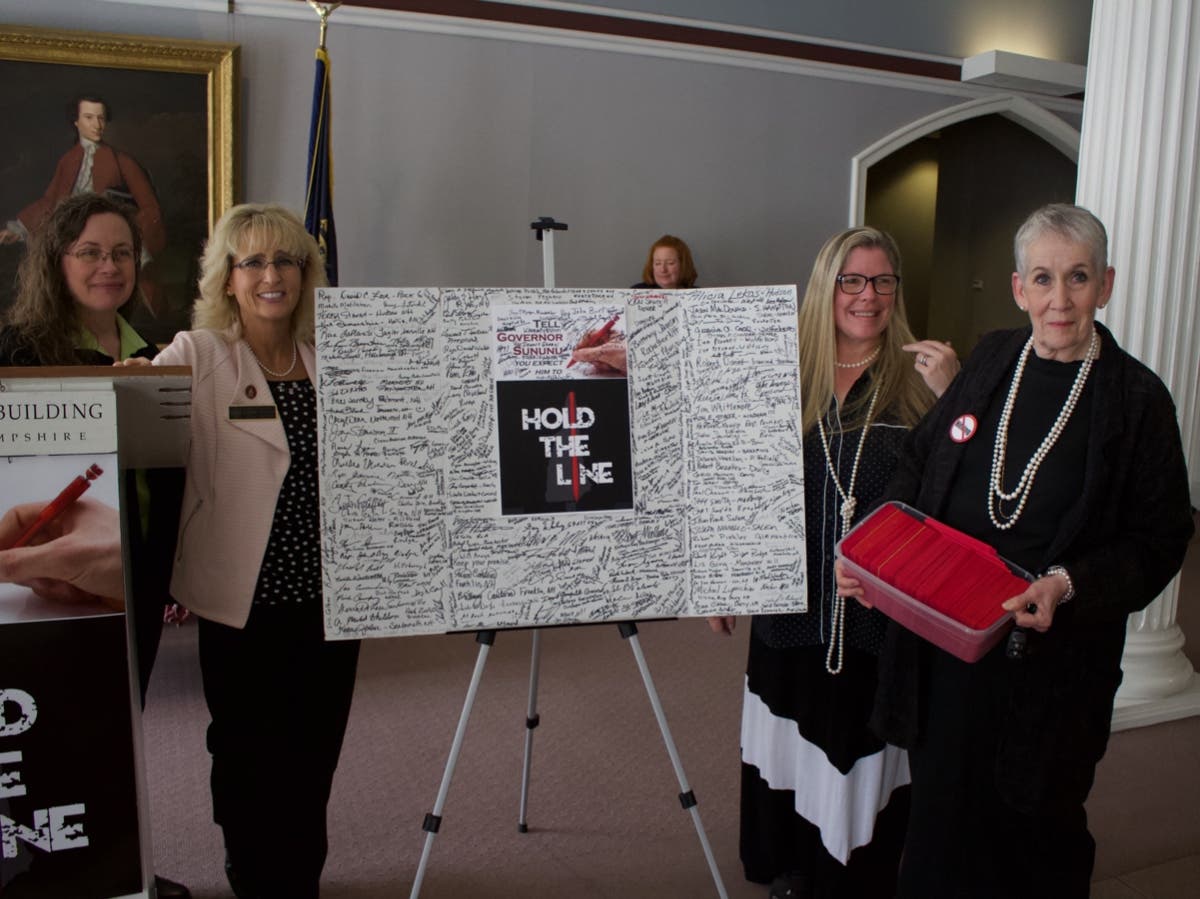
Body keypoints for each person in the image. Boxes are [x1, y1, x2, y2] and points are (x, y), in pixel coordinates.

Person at [841, 204, 1193, 898]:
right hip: (946, 641)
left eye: (1078, 277)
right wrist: (876, 556)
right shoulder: (994, 358)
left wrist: (1068, 582)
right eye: (1043, 278)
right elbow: (920, 461)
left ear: (1105, 285)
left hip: (1048, 663)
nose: (1059, 299)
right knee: (940, 811)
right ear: (1018, 288)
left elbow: (1161, 536)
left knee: (1034, 825)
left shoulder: (1138, 400)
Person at [709, 227, 958, 899]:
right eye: (852, 280)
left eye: (882, 281)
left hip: (873, 615)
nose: (867, 296)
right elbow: (741, 478)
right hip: (789, 602)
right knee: (788, 731)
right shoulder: (783, 370)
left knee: (853, 743)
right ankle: (786, 863)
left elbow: (952, 502)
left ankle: (847, 873)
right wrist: (724, 579)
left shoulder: (921, 384)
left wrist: (956, 400)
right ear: (826, 286)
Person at [148, 202, 360, 898]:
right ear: (228, 278)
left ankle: (300, 876)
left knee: (315, 748)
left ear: (306, 273)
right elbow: (132, 401)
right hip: (242, 600)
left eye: (287, 261)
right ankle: (251, 868)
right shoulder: (199, 354)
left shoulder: (329, 359)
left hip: (330, 598)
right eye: (255, 262)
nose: (273, 276)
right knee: (246, 747)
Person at [0, 192, 189, 898]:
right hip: (50, 588)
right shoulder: (15, 350)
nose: (108, 266)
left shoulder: (160, 349)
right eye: (90, 252)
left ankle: (119, 870)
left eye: (121, 253)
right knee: (57, 727)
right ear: (57, 260)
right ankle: (54, 878)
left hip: (135, 570)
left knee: (119, 725)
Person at [1, 96, 166, 257]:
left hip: (110, 243)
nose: (97, 125)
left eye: (101, 118)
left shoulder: (121, 161)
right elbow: (50, 201)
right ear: (76, 122)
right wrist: (18, 230)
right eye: (89, 117)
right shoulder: (68, 161)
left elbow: (150, 207)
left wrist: (129, 240)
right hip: (71, 240)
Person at [632, 234, 698, 289]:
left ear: (683, 265)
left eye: (670, 263)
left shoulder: (699, 295)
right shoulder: (635, 292)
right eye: (658, 263)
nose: (663, 270)